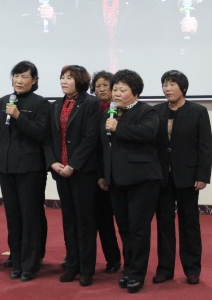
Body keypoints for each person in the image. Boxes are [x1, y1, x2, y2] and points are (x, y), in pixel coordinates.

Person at [98, 69, 162, 293]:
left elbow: (147, 133)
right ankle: (128, 268)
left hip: (142, 181)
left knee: (138, 229)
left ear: (135, 92)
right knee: (124, 228)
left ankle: (137, 274)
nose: (116, 93)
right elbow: (104, 148)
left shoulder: (147, 111)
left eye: (122, 90)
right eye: (114, 89)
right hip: (116, 180)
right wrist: (103, 174)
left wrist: (119, 128)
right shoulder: (109, 114)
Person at [0, 61, 50, 282]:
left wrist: (18, 116)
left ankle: (31, 264)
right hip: (6, 167)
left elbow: (41, 133)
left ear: (34, 80)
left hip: (30, 168)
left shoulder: (41, 103)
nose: (19, 80)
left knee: (30, 216)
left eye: (24, 76)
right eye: (16, 76)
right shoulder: (3, 101)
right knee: (13, 217)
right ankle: (16, 260)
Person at [152, 70, 212, 286]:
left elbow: (205, 146)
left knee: (189, 224)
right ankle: (165, 269)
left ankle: (192, 269)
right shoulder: (156, 111)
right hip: (162, 177)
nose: (167, 89)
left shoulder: (198, 111)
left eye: (172, 84)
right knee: (164, 224)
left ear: (183, 88)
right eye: (165, 84)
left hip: (188, 176)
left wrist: (202, 175)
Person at [44, 65, 99, 286]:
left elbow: (90, 138)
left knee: (85, 221)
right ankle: (72, 264)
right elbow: (49, 137)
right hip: (60, 171)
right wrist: (53, 162)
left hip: (82, 172)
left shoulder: (91, 103)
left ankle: (86, 269)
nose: (64, 81)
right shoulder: (56, 105)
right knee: (69, 220)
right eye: (62, 77)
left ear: (80, 81)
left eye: (69, 78)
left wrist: (73, 165)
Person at [89, 71, 121, 273]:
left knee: (123, 222)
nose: (101, 89)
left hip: (117, 173)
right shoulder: (91, 108)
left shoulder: (119, 110)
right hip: (94, 173)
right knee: (102, 220)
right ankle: (112, 259)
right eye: (97, 86)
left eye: (105, 85)